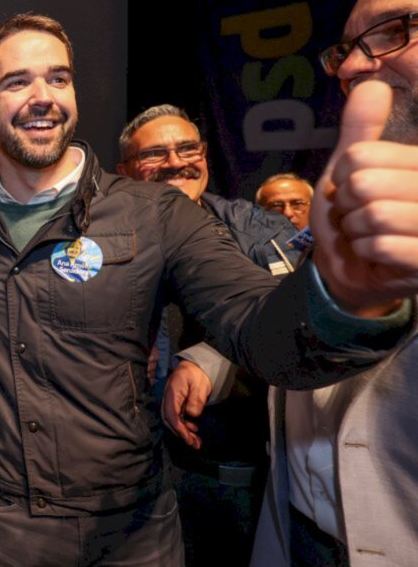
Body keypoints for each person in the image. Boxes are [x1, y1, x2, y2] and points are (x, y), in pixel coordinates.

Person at [0, 12, 415, 566]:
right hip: (2, 532)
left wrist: (343, 293)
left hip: (131, 534)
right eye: (17, 82)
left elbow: (261, 332)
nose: (43, 96)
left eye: (59, 78)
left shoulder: (155, 213)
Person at [169, 0, 418, 567]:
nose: (354, 66)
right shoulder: (343, 210)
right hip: (297, 534)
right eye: (346, 50)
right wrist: (212, 357)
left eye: (394, 32)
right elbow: (282, 316)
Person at [117, 104, 298, 566]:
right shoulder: (100, 243)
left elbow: (294, 312)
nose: (176, 162)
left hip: (233, 479)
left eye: (187, 149)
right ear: (125, 171)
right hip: (129, 477)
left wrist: (214, 357)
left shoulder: (263, 232)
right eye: (155, 153)